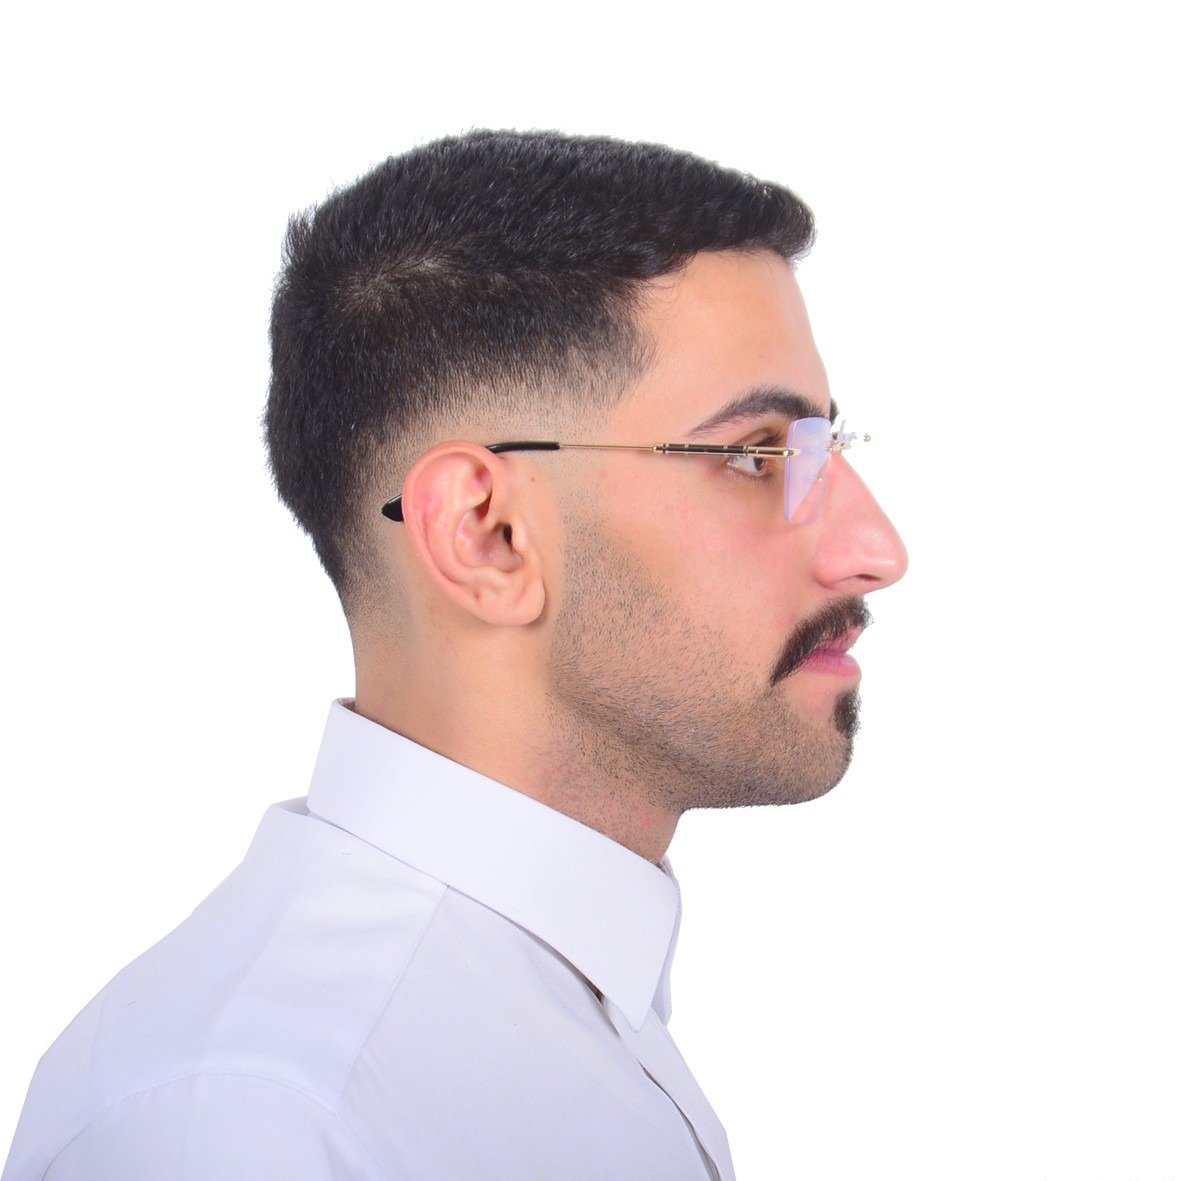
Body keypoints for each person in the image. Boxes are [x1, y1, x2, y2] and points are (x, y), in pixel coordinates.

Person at [4, 130, 907, 1180]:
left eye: (822, 449)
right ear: (486, 533)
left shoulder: (527, 1007)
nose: (876, 549)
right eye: (756, 455)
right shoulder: (259, 1123)